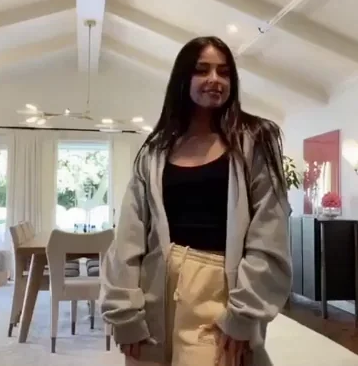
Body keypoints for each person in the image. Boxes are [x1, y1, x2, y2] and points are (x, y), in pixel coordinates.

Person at [100, 36, 292, 366]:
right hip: (154, 291)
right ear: (183, 78)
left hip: (219, 293)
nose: (215, 79)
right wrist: (124, 311)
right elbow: (129, 235)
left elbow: (269, 231)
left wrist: (245, 314)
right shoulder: (155, 150)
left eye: (224, 72)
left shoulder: (255, 139)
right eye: (202, 70)